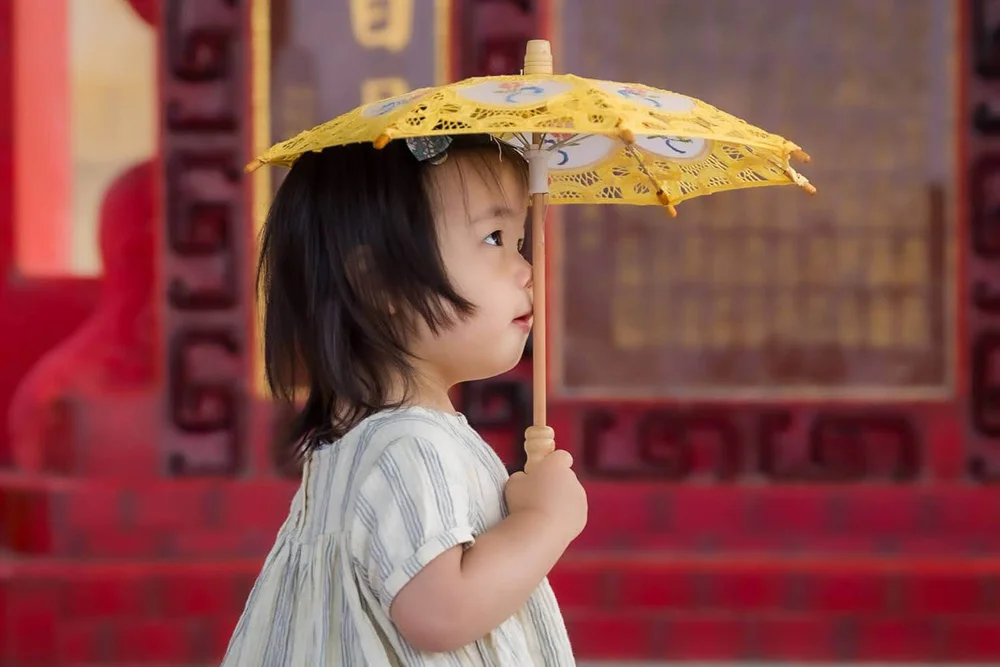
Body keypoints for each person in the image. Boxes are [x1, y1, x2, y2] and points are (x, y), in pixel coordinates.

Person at [221, 133, 586, 666]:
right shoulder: (409, 445)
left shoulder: (368, 437)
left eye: (519, 241)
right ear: (380, 283)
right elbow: (440, 611)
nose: (526, 269)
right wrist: (546, 522)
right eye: (493, 238)